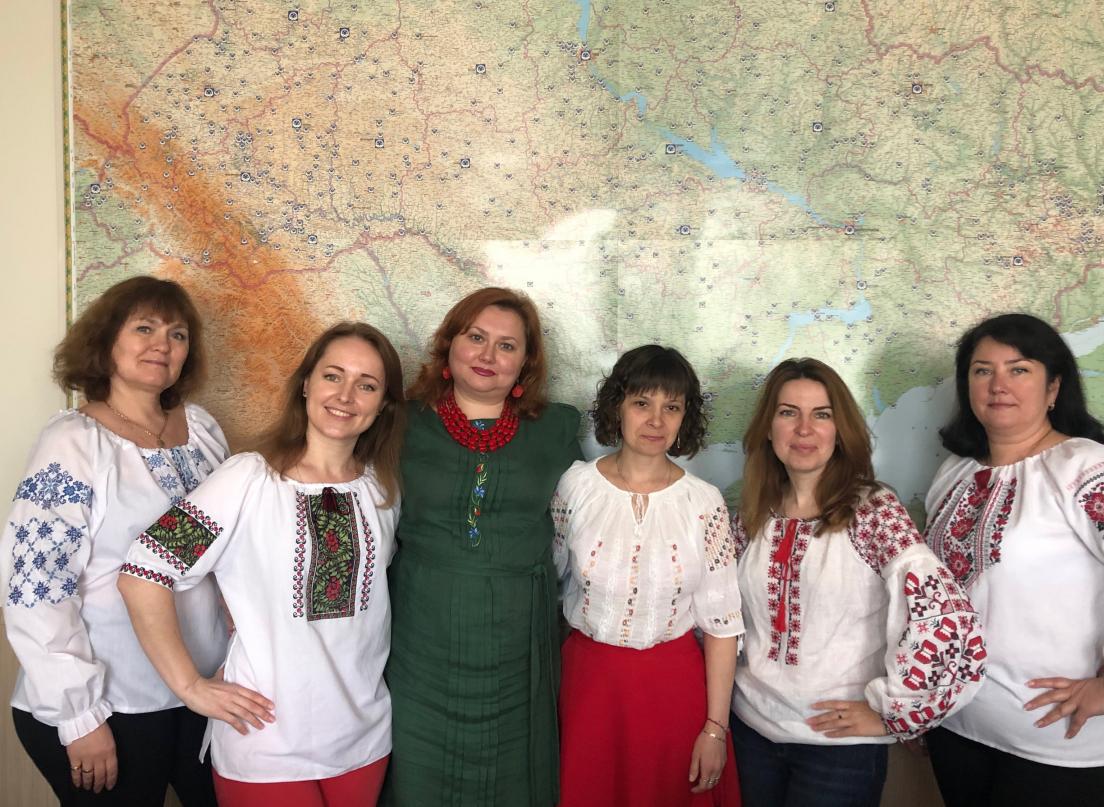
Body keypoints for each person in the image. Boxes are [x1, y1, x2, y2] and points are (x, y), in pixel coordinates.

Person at [117, 321, 405, 806]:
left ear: (383, 405)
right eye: (333, 376)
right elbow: (144, 570)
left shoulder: (382, 488)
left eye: (367, 385)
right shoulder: (247, 480)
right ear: (306, 384)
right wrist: (189, 686)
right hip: (266, 743)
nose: (345, 395)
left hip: (364, 740)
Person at [923, 312, 1104, 807]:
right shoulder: (955, 473)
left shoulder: (1082, 468)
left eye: (1019, 369)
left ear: (1053, 387)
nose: (998, 384)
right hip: (956, 726)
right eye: (983, 370)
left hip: (1054, 743)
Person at [0, 276, 228, 805]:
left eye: (177, 334)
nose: (162, 345)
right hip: (110, 702)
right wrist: (79, 715)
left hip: (199, 689)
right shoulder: (73, 443)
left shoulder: (202, 431)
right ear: (106, 342)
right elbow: (35, 586)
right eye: (144, 328)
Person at [730, 358, 986, 807]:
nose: (804, 429)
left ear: (840, 430)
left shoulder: (871, 510)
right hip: (750, 733)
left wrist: (895, 713)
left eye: (822, 414)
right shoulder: (752, 514)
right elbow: (720, 616)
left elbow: (945, 615)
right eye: (788, 412)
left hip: (837, 751)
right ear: (768, 429)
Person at [384, 287, 583, 807]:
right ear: (449, 345)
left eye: (506, 345)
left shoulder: (556, 428)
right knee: (416, 770)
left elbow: (590, 523)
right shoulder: (398, 422)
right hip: (419, 635)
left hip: (519, 640)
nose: (488, 355)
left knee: (513, 773)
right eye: (476, 337)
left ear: (526, 363)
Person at [553, 345, 744, 807]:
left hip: (674, 690)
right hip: (589, 686)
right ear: (617, 407)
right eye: (642, 403)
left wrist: (715, 729)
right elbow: (550, 582)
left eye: (671, 407)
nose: (656, 420)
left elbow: (722, 626)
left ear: (684, 418)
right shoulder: (575, 487)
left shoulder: (704, 503)